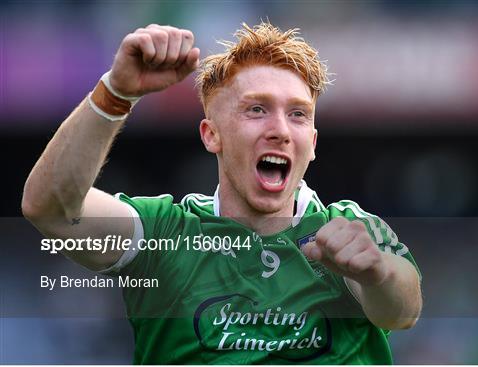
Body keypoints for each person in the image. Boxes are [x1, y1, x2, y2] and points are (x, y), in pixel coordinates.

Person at [22, 22, 422, 364]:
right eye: (256, 109)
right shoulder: (165, 235)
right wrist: (116, 93)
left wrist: (375, 273)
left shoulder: (350, 229)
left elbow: (403, 310)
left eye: (297, 114)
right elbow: (51, 210)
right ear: (211, 135)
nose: (281, 130)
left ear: (312, 142)